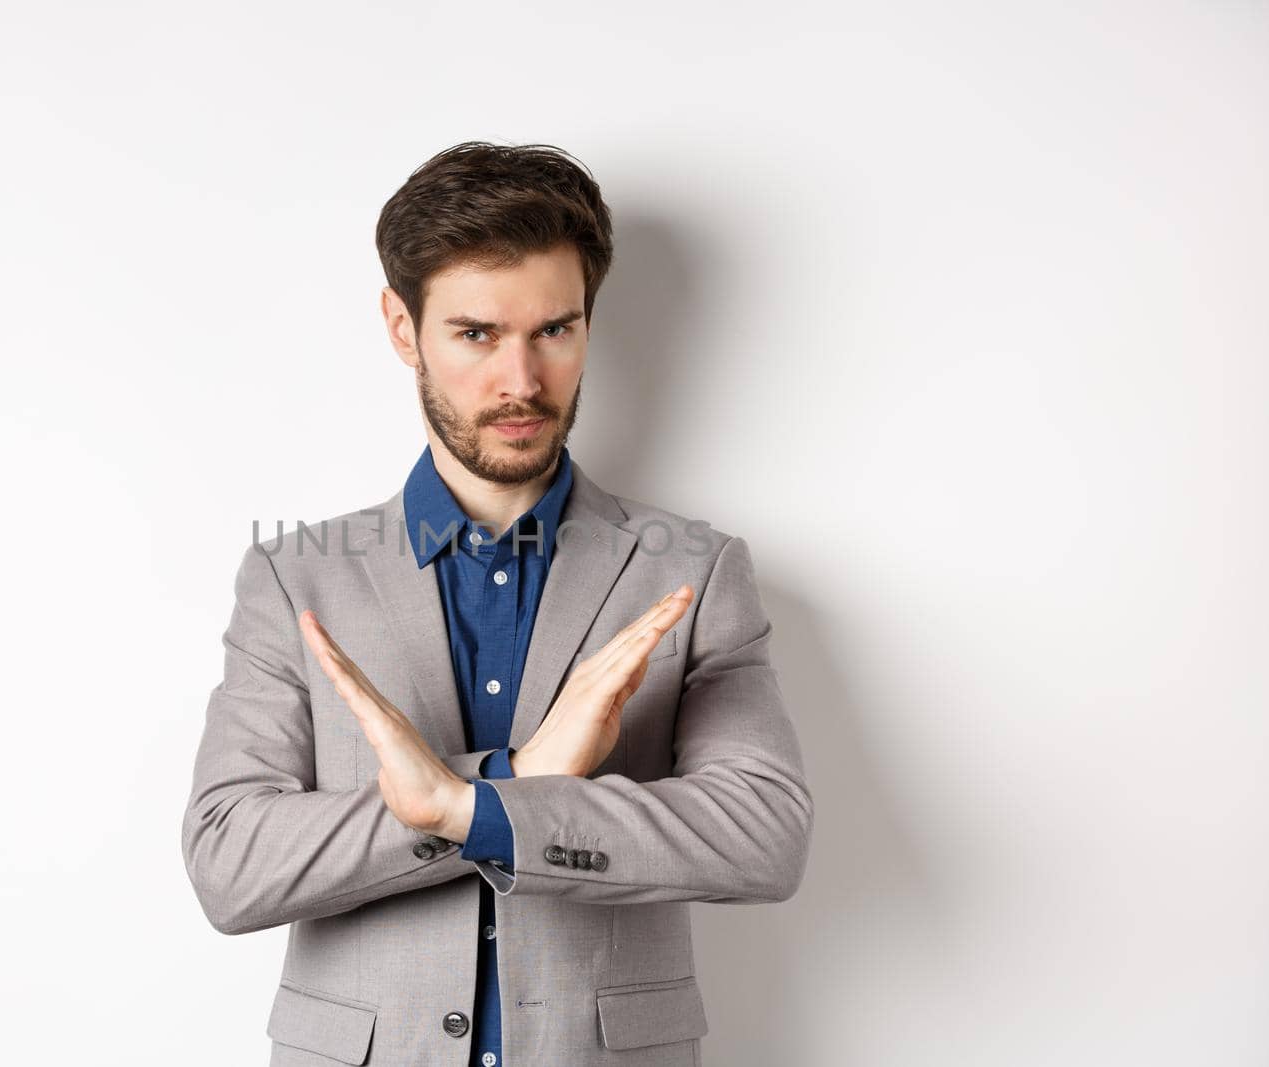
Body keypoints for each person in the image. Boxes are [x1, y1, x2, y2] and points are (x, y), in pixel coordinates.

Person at [181, 141, 814, 1066]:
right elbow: (230, 865)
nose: (521, 381)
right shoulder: (295, 577)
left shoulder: (694, 571)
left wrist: (473, 805)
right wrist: (511, 775)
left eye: (554, 330)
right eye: (476, 334)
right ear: (404, 329)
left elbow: (763, 836)